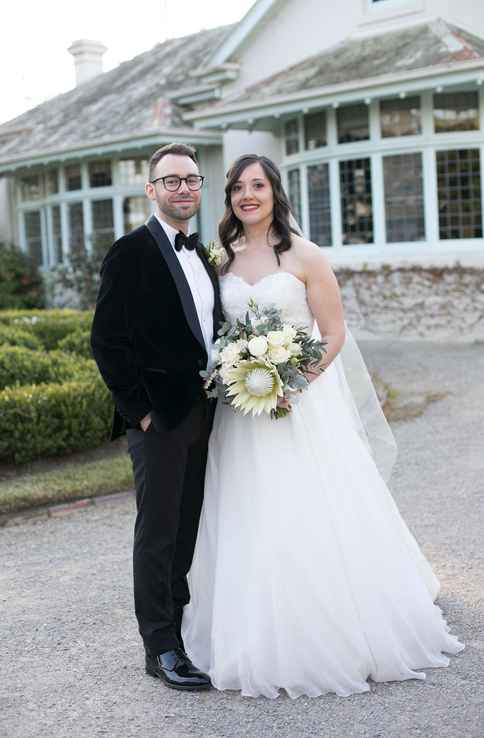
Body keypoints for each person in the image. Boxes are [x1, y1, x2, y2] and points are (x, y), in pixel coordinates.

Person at [181, 154, 464, 699]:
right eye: (238, 187)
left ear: (274, 192)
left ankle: (335, 625)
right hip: (240, 414)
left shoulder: (305, 255)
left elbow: (333, 333)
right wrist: (237, 373)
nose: (247, 195)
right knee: (245, 509)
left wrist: (293, 380)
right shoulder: (219, 258)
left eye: (257, 185)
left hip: (298, 407)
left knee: (312, 506)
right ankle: (249, 629)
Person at [90, 143, 223, 691]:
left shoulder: (205, 255)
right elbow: (107, 342)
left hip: (207, 413)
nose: (183, 189)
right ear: (151, 189)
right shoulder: (130, 252)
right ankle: (161, 648)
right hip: (160, 419)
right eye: (171, 181)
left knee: (187, 526)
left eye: (191, 180)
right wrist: (139, 413)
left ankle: (180, 626)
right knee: (159, 532)